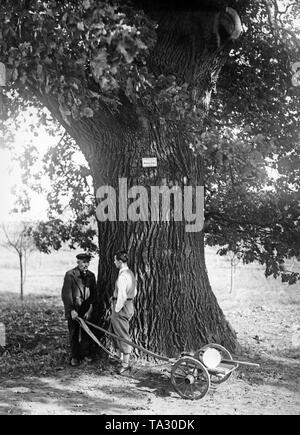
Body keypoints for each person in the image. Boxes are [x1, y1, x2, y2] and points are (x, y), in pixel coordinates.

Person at [61, 253, 97, 366]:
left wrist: (90, 309)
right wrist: (71, 310)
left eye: (87, 262)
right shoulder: (70, 275)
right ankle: (74, 356)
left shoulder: (91, 276)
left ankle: (85, 354)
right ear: (78, 262)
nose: (86, 265)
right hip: (74, 310)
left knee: (87, 332)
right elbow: (66, 295)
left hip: (86, 310)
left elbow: (94, 295)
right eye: (83, 262)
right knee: (74, 333)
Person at [110, 250, 137, 374]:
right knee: (119, 332)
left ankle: (125, 364)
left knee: (122, 334)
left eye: (115, 260)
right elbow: (134, 291)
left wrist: (116, 308)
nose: (114, 262)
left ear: (120, 262)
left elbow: (122, 295)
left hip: (122, 307)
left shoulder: (122, 276)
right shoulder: (130, 273)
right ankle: (121, 358)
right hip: (129, 305)